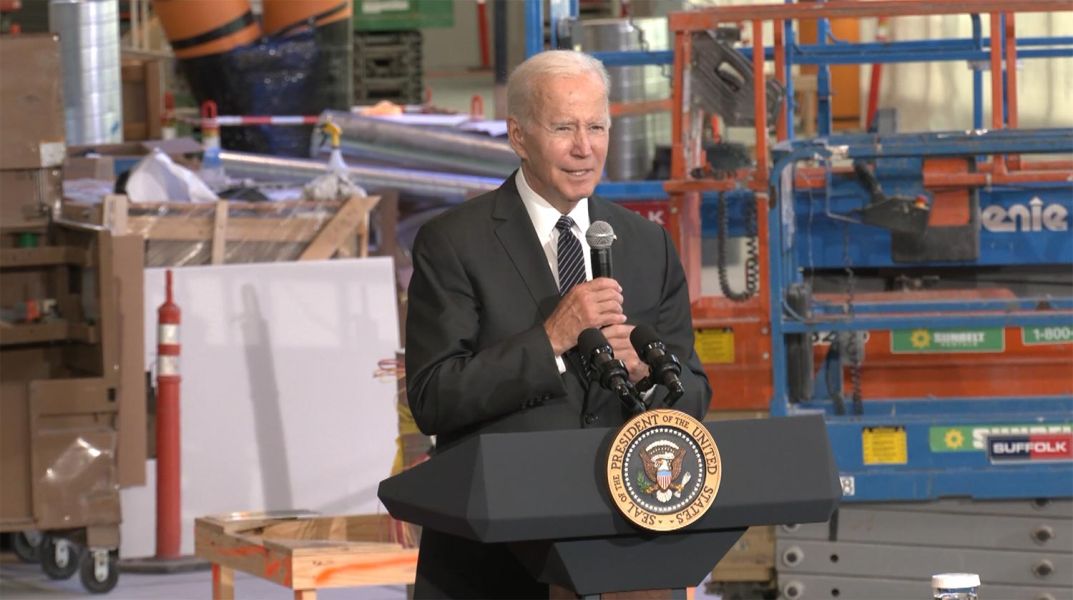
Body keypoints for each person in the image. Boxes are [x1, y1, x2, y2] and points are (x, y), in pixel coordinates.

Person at [405, 50, 712, 599]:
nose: (584, 147)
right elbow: (433, 396)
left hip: (631, 548)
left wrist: (650, 376)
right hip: (501, 557)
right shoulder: (453, 242)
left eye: (597, 127)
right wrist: (550, 340)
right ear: (518, 136)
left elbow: (694, 389)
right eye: (564, 127)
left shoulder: (647, 245)